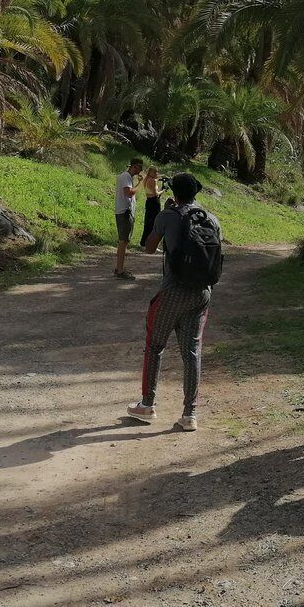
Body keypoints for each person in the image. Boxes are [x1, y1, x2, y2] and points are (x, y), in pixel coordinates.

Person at [127, 173, 217, 432]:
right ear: (196, 193)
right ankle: (190, 414)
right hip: (202, 293)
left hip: (172, 292)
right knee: (192, 352)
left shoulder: (169, 215)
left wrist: (163, 217)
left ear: (174, 193)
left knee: (155, 346)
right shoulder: (210, 218)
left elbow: (149, 247)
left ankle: (147, 404)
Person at [113, 158, 150, 280]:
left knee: (124, 241)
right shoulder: (125, 176)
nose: (140, 171)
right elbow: (129, 193)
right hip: (124, 212)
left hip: (125, 212)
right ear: (135, 167)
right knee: (123, 242)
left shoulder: (127, 177)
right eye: (139, 168)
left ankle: (120, 268)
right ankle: (120, 270)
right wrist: (141, 183)